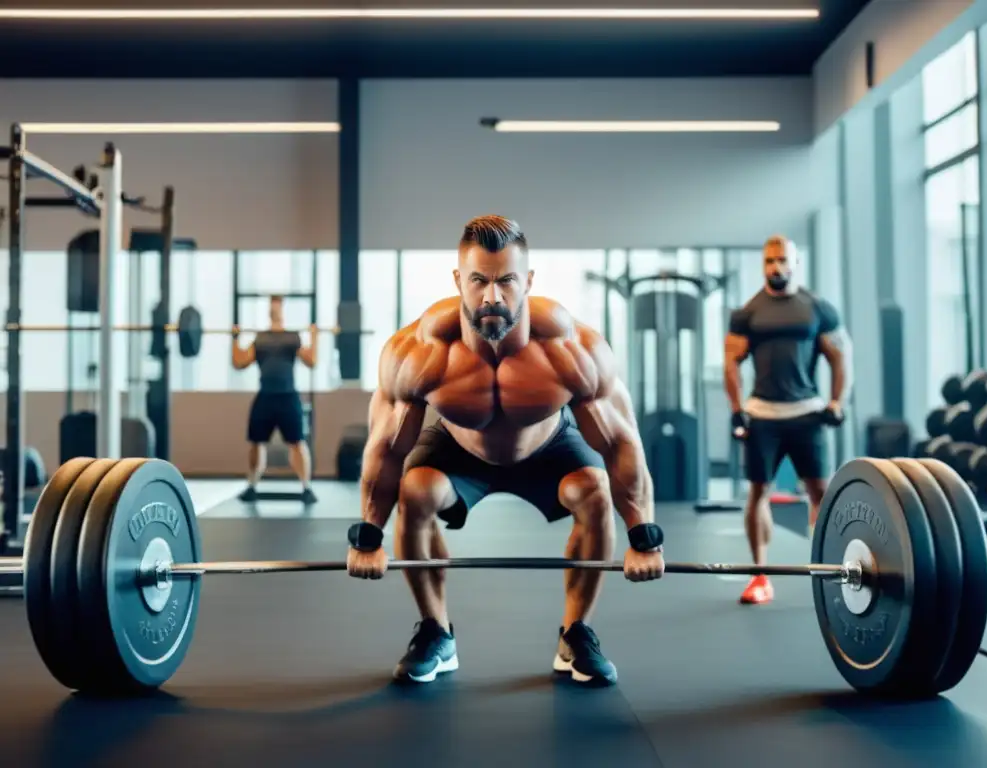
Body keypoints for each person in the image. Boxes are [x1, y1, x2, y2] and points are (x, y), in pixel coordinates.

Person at [345, 215, 666, 687]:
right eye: (479, 280)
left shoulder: (570, 350)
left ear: (528, 281)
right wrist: (368, 537)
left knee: (593, 489)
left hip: (548, 443)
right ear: (459, 281)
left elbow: (621, 441)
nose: (493, 296)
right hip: (460, 445)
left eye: (506, 281)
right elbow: (387, 449)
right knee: (416, 490)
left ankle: (577, 633)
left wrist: (644, 537)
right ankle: (435, 631)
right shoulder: (419, 351)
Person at [723, 235, 852, 606]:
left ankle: (829, 569)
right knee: (758, 493)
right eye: (769, 261)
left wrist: (836, 402)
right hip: (762, 414)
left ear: (794, 263)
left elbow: (842, 357)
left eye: (781, 260)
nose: (775, 267)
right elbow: (731, 360)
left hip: (807, 413)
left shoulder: (817, 308)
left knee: (820, 493)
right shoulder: (748, 312)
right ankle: (759, 575)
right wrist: (736, 406)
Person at [232, 295, 319, 505]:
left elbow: (311, 360)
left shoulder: (292, 337)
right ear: (269, 309)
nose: (274, 308)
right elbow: (240, 362)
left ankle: (306, 487)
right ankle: (252, 485)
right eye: (272, 304)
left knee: (297, 443)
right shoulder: (260, 338)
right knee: (256, 443)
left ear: (283, 308)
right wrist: (235, 339)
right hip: (265, 396)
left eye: (278, 304)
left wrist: (314, 337)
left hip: (288, 396)